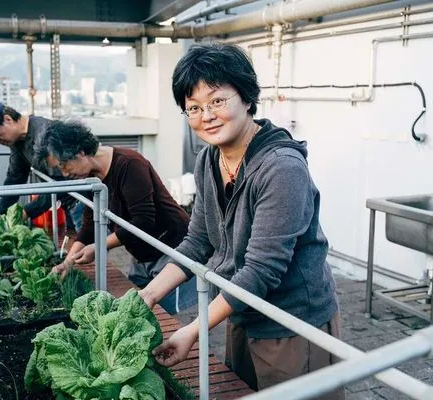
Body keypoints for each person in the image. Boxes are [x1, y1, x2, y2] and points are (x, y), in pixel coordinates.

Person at [137, 43, 344, 398]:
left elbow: (262, 270)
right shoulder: (208, 160)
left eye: (217, 101)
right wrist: (147, 295)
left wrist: (192, 330)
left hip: (291, 322)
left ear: (247, 98)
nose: (207, 116)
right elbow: (197, 241)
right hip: (240, 311)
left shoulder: (282, 168)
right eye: (194, 108)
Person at [44, 120, 198, 315]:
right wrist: (67, 262)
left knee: (168, 314)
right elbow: (90, 223)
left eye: (65, 165)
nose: (65, 173)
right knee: (143, 308)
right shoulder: (93, 177)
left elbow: (143, 221)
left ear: (80, 153)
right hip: (141, 250)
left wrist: (100, 246)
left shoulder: (129, 164)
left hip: (168, 245)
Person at [0, 101, 84, 230]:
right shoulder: (18, 142)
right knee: (77, 243)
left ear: (8, 119)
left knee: (91, 243)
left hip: (81, 199)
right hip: (67, 201)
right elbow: (15, 178)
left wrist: (26, 212)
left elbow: (61, 182)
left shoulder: (44, 133)